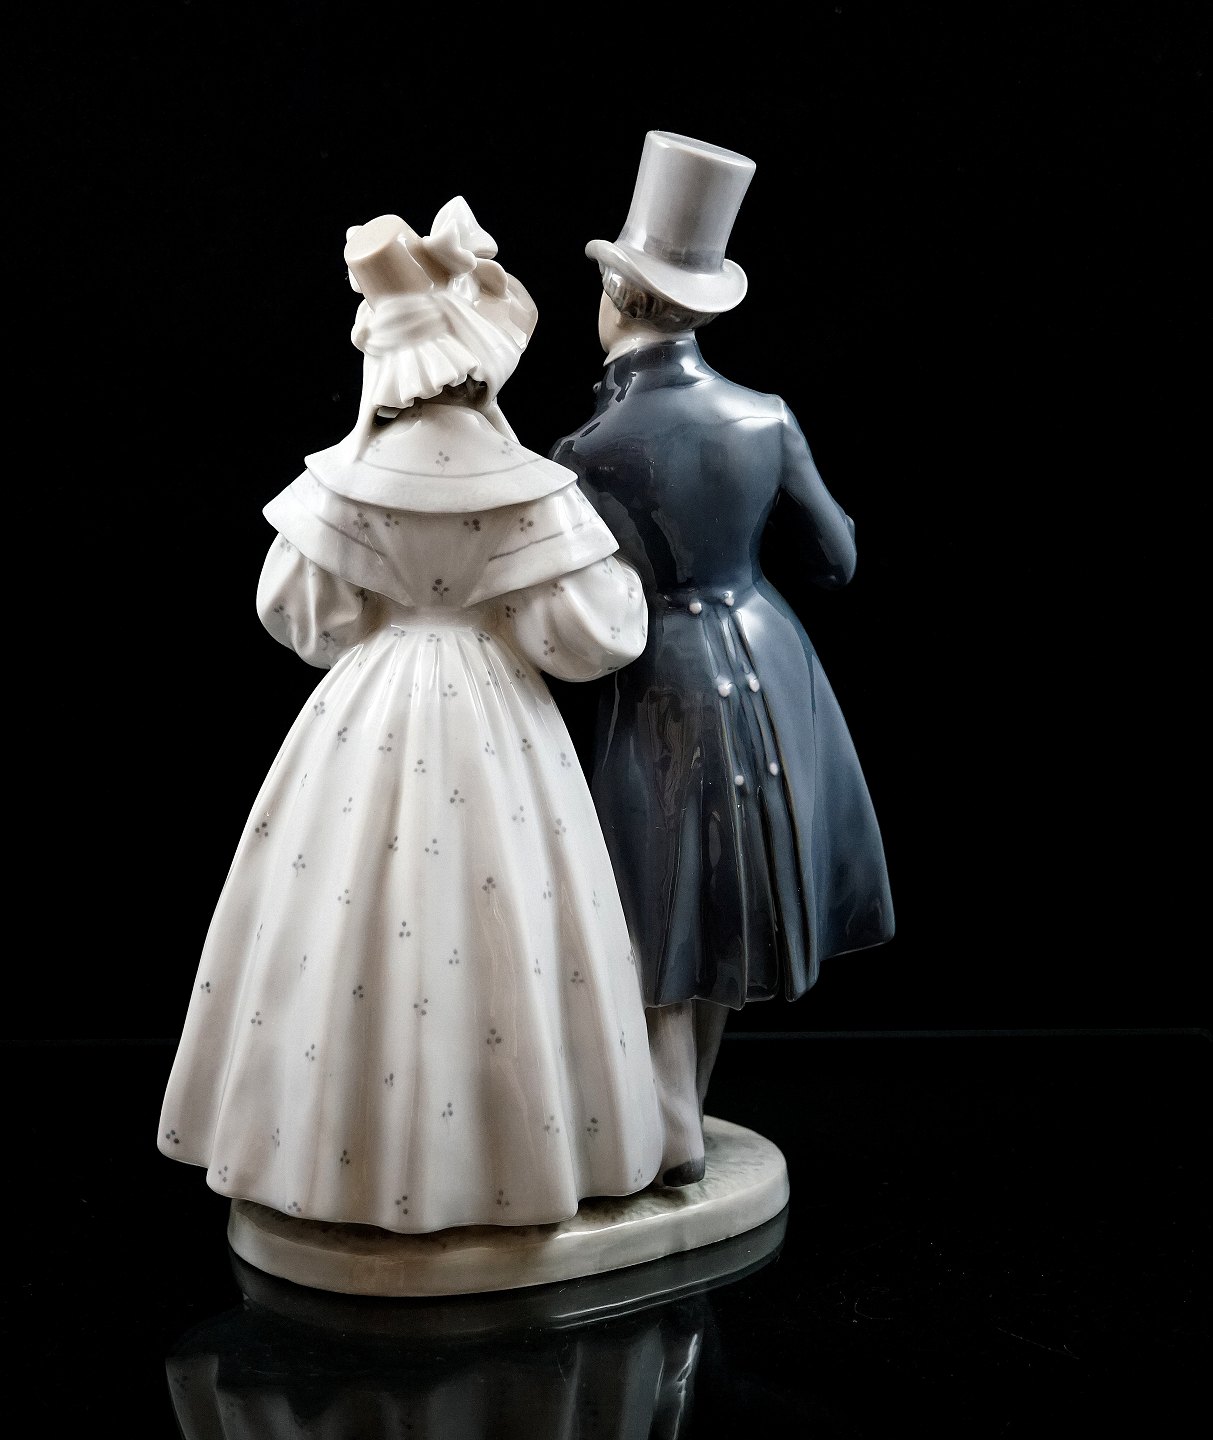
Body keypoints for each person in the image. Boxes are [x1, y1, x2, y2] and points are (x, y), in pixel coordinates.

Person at [157, 198, 664, 1232]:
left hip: (371, 703)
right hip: (494, 711)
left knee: (340, 918)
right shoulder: (529, 488)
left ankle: (335, 1154)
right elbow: (588, 638)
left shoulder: (342, 482)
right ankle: (508, 1158)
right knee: (509, 916)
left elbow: (307, 621)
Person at [549, 133, 896, 1183]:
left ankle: (671, 1125)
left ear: (620, 296)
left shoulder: (585, 451)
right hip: (767, 658)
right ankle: (682, 1111)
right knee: (723, 890)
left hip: (658, 674)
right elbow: (835, 560)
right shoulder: (765, 417)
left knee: (654, 891)